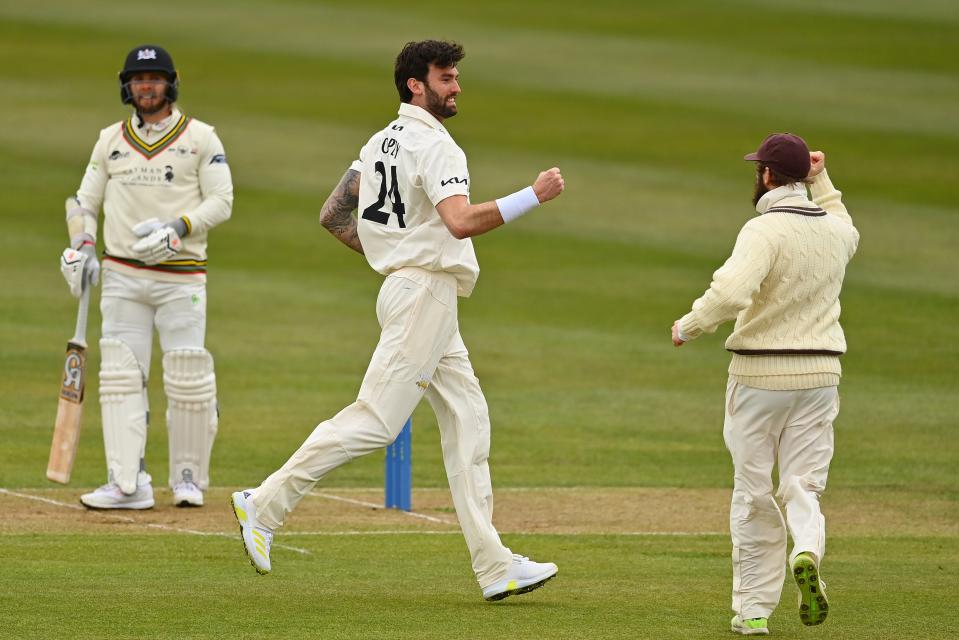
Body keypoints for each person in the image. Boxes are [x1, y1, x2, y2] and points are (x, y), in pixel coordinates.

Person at [231, 40, 564, 602]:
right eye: (446, 77)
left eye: (456, 77)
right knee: (377, 421)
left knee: (468, 421)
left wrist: (393, 256)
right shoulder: (438, 147)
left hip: (414, 291)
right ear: (416, 84)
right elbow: (459, 223)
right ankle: (264, 504)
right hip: (424, 294)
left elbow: (333, 214)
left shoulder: (379, 141)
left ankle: (495, 566)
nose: (456, 86)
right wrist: (533, 195)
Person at [670, 133, 858, 635]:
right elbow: (844, 221)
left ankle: (753, 611)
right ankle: (806, 550)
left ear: (768, 176)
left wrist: (690, 324)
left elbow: (731, 291)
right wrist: (823, 179)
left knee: (753, 492)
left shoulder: (763, 230)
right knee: (804, 485)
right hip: (821, 376)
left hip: (759, 377)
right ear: (804, 178)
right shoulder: (835, 232)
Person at [60, 44, 233, 509]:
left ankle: (188, 479)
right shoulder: (110, 140)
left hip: (181, 275)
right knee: (120, 375)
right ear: (127, 86)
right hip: (122, 275)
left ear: (171, 83)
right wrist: (81, 247)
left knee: (188, 375)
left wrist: (179, 228)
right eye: (139, 80)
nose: (147, 87)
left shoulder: (201, 138)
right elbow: (83, 202)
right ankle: (127, 482)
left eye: (154, 79)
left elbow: (222, 201)